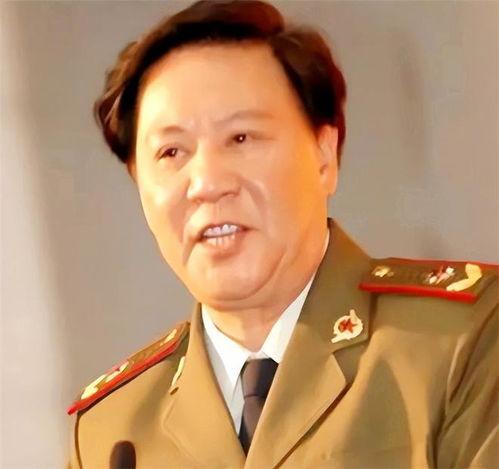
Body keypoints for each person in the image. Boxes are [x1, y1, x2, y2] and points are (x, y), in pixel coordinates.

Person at [67, 1, 498, 467]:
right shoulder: (111, 430)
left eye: (241, 138)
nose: (207, 183)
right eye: (171, 152)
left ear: (324, 155)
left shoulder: (462, 341)